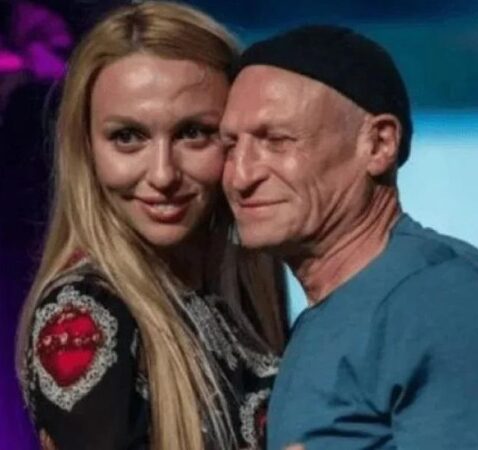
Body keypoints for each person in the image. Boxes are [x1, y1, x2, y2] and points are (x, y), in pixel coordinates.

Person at [220, 25, 478, 449]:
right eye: (230, 147)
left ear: (379, 144)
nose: (240, 176)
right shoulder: (343, 309)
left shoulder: (439, 301)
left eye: (276, 141)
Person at [15, 2, 287, 449]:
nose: (162, 175)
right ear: (87, 150)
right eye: (127, 137)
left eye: (192, 132)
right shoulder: (82, 316)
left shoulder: (248, 283)